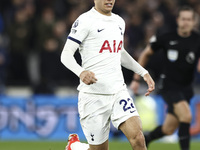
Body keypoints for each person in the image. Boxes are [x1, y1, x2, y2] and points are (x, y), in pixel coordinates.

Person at [61, 0, 155, 150]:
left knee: (138, 138)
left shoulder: (119, 21)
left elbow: (120, 52)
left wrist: (143, 72)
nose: (109, 0)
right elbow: (65, 54)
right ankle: (75, 147)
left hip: (118, 91)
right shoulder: (85, 20)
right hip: (93, 96)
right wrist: (81, 72)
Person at [131, 6, 200, 150]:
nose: (186, 22)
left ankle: (147, 138)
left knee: (169, 129)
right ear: (178, 20)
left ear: (193, 22)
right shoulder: (167, 37)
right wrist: (136, 78)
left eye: (189, 19)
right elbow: (146, 54)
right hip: (168, 86)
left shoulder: (197, 39)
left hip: (186, 88)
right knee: (186, 116)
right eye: (183, 19)